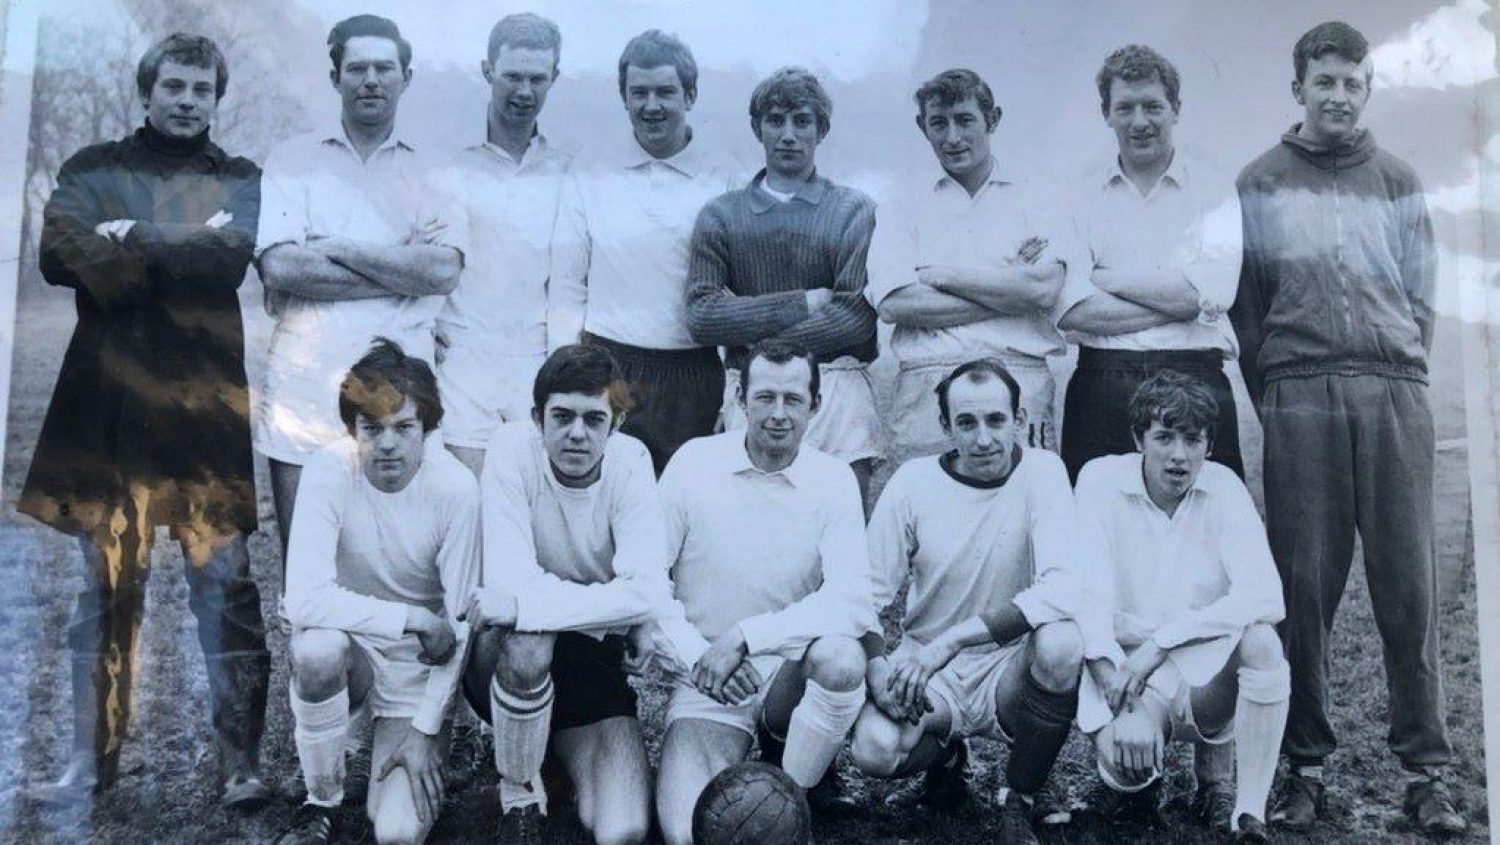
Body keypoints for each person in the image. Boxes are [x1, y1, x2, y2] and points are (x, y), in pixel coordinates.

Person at [18, 33, 270, 808]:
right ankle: (91, 762)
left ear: (216, 99)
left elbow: (227, 259)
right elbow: (58, 253)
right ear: (147, 90)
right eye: (175, 86)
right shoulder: (93, 166)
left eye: (202, 89)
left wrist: (131, 237)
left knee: (226, 589)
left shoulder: (240, 176)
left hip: (204, 413)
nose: (188, 100)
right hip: (111, 407)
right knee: (107, 591)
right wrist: (171, 249)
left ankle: (240, 762)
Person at [1229, 21, 1466, 836]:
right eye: (1323, 81)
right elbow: (1249, 309)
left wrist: (1395, 367)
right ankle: (1306, 768)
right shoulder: (1259, 181)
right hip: (1300, 392)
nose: (1337, 96)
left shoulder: (1398, 179)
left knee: (1409, 585)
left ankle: (1426, 774)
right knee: (1303, 586)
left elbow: (1423, 295)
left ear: (1368, 89)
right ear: (1298, 86)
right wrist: (1284, 391)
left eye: (1352, 83)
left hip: (1392, 390)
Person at [849, 358, 1115, 845]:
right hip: (931, 670)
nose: (984, 438)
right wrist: (878, 670)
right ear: (945, 426)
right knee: (874, 748)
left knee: (1062, 643)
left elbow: (1063, 587)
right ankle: (948, 755)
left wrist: (955, 639)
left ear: (1019, 419)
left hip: (1008, 665)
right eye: (967, 423)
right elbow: (862, 594)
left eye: (996, 420)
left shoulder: (1043, 471)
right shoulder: (912, 482)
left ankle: (1022, 793)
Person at [255, 14, 468, 553]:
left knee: (397, 557)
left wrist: (336, 247)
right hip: (305, 389)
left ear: (405, 78)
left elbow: (442, 271)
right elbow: (281, 268)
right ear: (335, 78)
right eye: (357, 69)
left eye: (384, 68)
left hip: (400, 394)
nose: (371, 80)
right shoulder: (292, 159)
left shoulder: (435, 168)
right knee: (307, 561)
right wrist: (402, 270)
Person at [650, 339, 876, 845]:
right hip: (709, 675)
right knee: (688, 833)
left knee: (842, 659)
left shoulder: (834, 479)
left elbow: (854, 599)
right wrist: (701, 657)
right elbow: (646, 582)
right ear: (740, 398)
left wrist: (747, 636)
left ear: (815, 405)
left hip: (789, 675)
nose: (778, 414)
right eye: (765, 397)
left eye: (793, 399)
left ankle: (793, 787)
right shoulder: (693, 462)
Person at [459, 345, 669, 845]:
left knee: (623, 830)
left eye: (594, 419)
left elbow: (647, 592)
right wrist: (614, 607)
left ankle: (551, 754)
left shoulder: (632, 461)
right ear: (538, 418)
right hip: (510, 656)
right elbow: (511, 583)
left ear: (616, 423)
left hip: (590, 653)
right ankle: (519, 796)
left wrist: (531, 605)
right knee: (529, 640)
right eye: (562, 417)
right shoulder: (510, 448)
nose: (577, 433)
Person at [275, 339, 478, 845]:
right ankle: (320, 801)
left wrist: (427, 729)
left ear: (427, 429)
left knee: (397, 833)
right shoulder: (327, 469)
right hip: (355, 651)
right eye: (372, 427)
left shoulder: (456, 489)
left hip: (417, 669)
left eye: (403, 428)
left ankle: (381, 742)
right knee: (317, 649)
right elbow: (303, 599)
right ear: (353, 429)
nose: (387, 444)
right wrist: (411, 618)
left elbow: (459, 625)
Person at [1076, 371, 1287, 844]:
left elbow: (1265, 595)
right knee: (1126, 771)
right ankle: (1140, 786)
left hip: (1202, 672)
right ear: (1139, 439)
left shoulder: (1224, 486)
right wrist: (1126, 706)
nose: (1179, 455)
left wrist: (1164, 641)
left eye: (1193, 440)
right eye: (1164, 437)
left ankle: (1247, 814)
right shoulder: (1099, 480)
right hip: (1128, 672)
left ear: (1208, 445)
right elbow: (1088, 603)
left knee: (1262, 642)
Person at [685, 67, 883, 504]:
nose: (789, 135)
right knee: (751, 520)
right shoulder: (722, 215)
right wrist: (804, 302)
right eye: (775, 121)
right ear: (758, 128)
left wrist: (749, 329)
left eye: (802, 121)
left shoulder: (853, 211)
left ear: (821, 130)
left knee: (843, 522)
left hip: (836, 389)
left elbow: (855, 317)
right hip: (754, 389)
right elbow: (702, 316)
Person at [866, 69, 1083, 463]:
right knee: (929, 499)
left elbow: (1042, 291)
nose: (952, 137)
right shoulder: (900, 205)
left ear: (992, 119)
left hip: (1020, 379)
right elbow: (895, 304)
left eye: (965, 120)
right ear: (922, 126)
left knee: (1022, 498)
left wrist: (939, 276)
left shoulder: (1040, 198)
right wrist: (1009, 288)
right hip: (927, 385)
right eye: (939, 123)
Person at [549, 29, 736, 475]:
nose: (652, 106)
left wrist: (733, 391)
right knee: (606, 499)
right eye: (639, 93)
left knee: (684, 503)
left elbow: (737, 293)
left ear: (690, 95)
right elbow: (568, 283)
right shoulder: (591, 170)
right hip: (609, 367)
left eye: (665, 92)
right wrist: (565, 377)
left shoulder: (723, 175)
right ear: (624, 97)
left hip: (692, 373)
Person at [1057, 45, 1245, 483]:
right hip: (1102, 384)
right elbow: (1073, 311)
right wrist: (1183, 304)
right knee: (1097, 513)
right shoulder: (1077, 195)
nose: (1139, 121)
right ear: (1106, 113)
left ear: (1175, 108)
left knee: (1203, 514)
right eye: (1125, 108)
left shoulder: (1214, 189)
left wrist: (1106, 279)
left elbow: (1213, 294)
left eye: (1153, 106)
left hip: (1196, 376)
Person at [437, 13, 573, 477]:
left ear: (554, 77)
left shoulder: (566, 167)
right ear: (487, 71)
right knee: (466, 501)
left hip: (537, 364)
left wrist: (561, 366)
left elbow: (569, 280)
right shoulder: (448, 159)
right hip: (462, 363)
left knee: (530, 502)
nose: (524, 91)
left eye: (537, 79)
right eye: (512, 76)